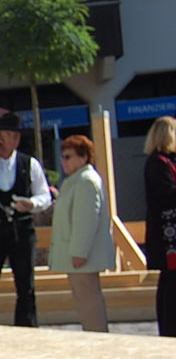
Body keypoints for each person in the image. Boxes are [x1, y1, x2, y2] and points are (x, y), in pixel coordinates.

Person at [0, 112, 52, 326]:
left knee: (26, 286)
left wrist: (31, 204)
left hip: (21, 230)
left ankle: (28, 329)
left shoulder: (28, 163)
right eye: (6, 135)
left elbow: (45, 196)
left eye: (15, 136)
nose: (11, 140)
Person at [48, 135, 113, 332]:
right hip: (78, 255)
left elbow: (86, 220)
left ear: (83, 157)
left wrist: (79, 252)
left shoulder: (86, 181)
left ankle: (98, 340)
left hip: (82, 257)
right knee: (84, 300)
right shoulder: (76, 180)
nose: (63, 161)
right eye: (63, 156)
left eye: (68, 157)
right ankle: (95, 338)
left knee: (89, 301)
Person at [143, 115, 176, 336]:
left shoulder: (169, 161)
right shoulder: (156, 163)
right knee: (170, 281)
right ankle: (169, 330)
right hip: (167, 236)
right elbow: (167, 195)